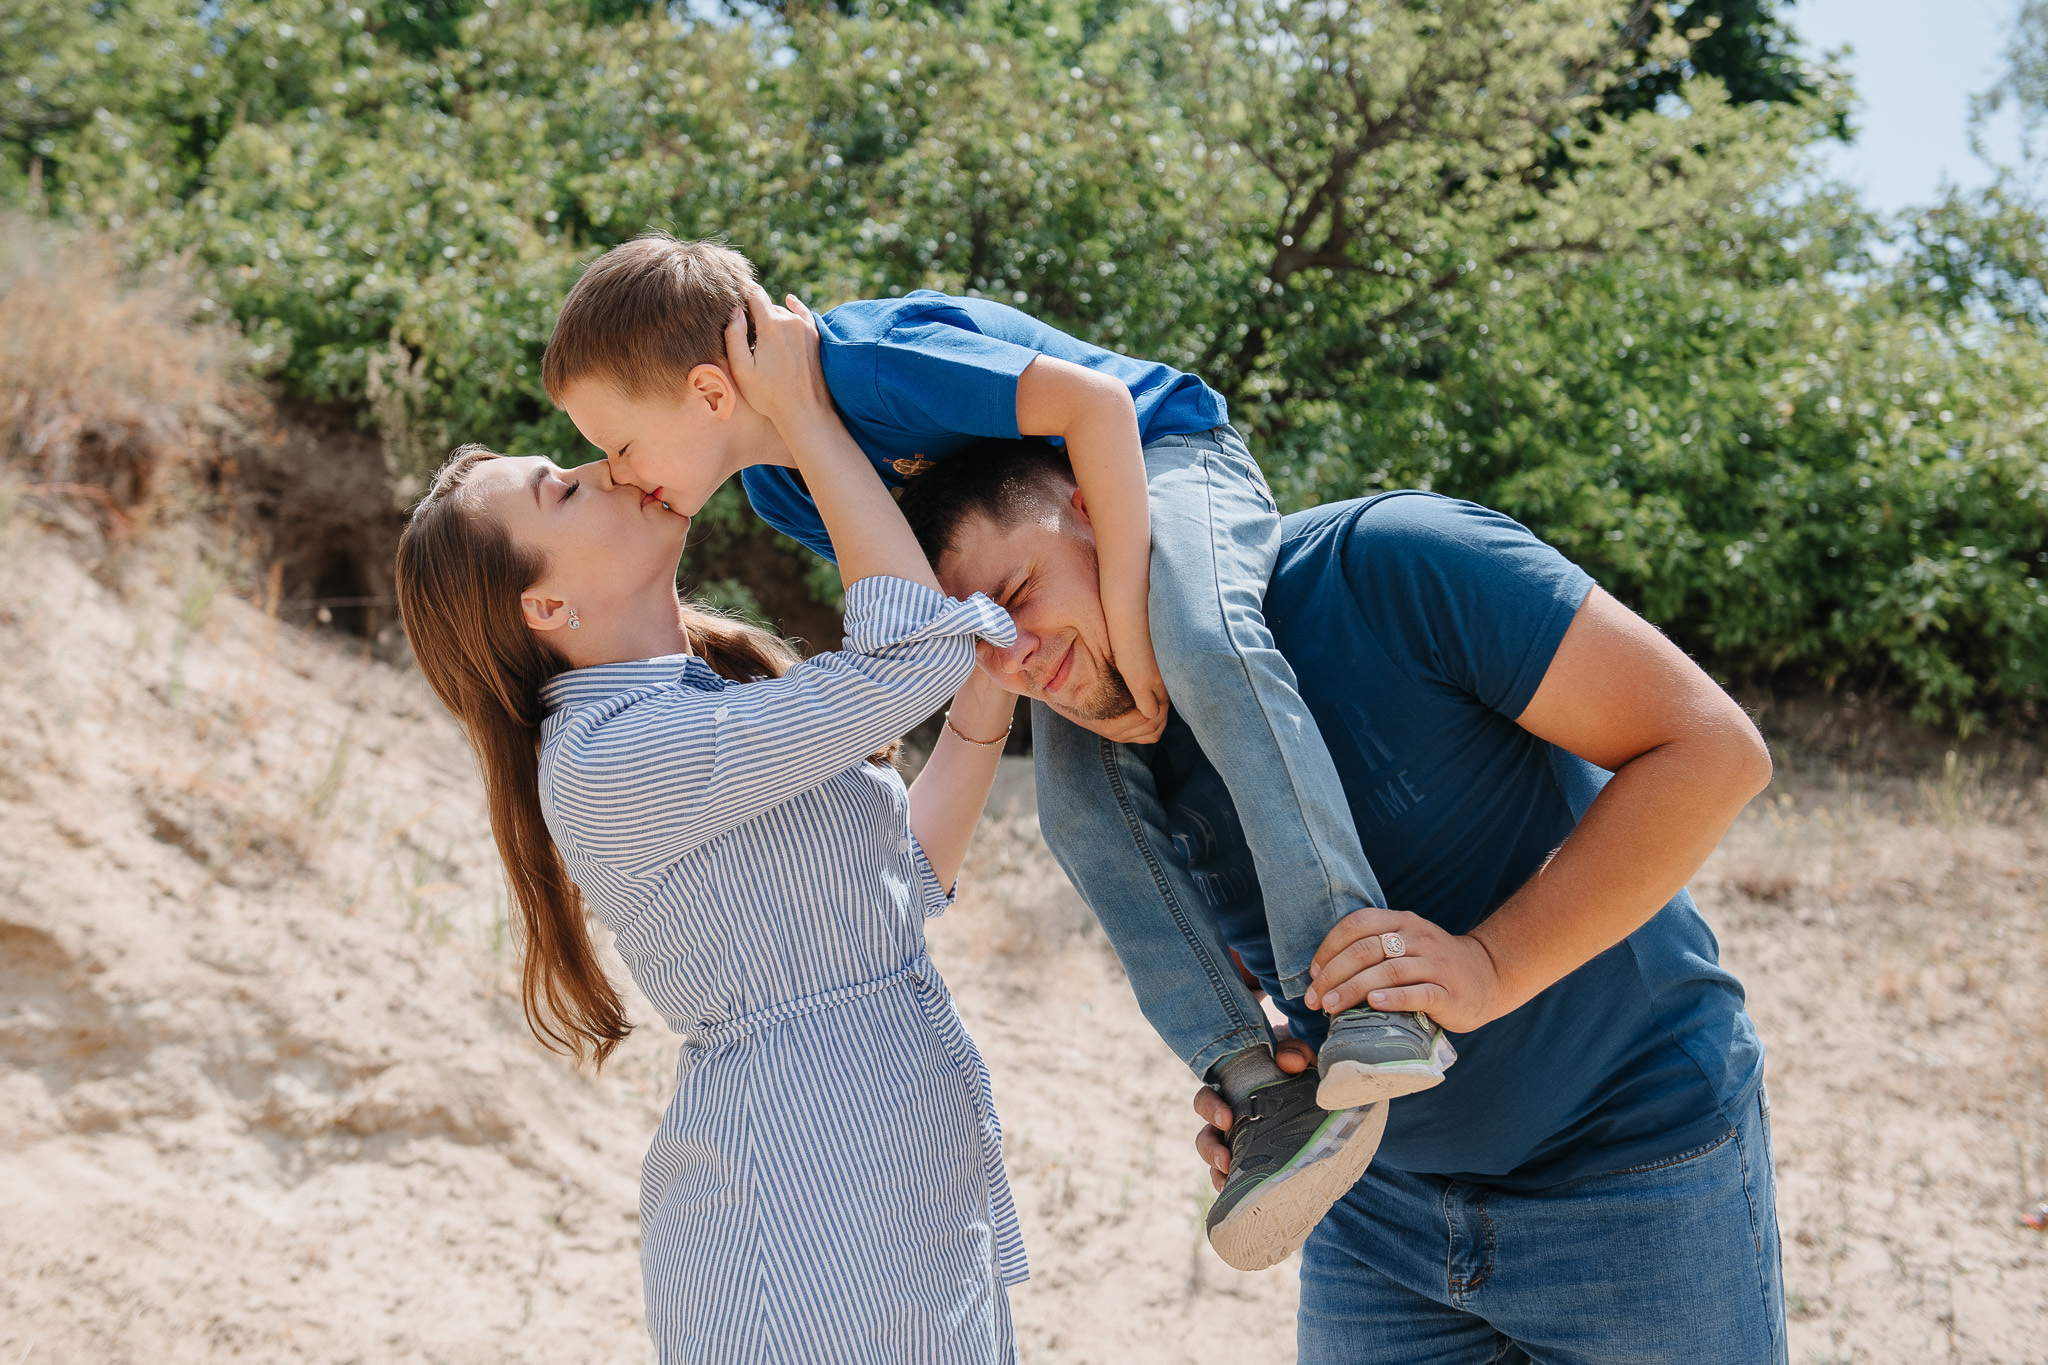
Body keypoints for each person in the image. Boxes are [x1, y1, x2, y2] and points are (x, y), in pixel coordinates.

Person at [539, 234, 1442, 1269]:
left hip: (1155, 464)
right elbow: (919, 608)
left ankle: (1367, 990)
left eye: (616, 441)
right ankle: (1254, 1078)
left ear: (708, 393)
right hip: (1031, 561)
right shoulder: (782, 490)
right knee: (1073, 799)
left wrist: (1134, 636)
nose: (616, 472)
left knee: (1199, 640)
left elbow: (1097, 411)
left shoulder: (869, 363)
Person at [900, 440, 1788, 1364]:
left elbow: (1713, 751)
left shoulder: (1395, 562)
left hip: (1638, 1173)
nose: (1016, 657)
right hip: (1377, 1222)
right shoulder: (1112, 763)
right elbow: (1269, 961)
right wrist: (1277, 1092)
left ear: (1095, 508)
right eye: (978, 642)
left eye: (1015, 598)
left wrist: (1490, 966)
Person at [394, 288, 1028, 1362]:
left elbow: (898, 887)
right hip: (798, 1221)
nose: (606, 467)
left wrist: (984, 709)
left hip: (895, 1188)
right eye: (562, 489)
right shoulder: (606, 760)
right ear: (543, 608)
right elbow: (914, 656)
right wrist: (800, 418)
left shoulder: (694, 707)